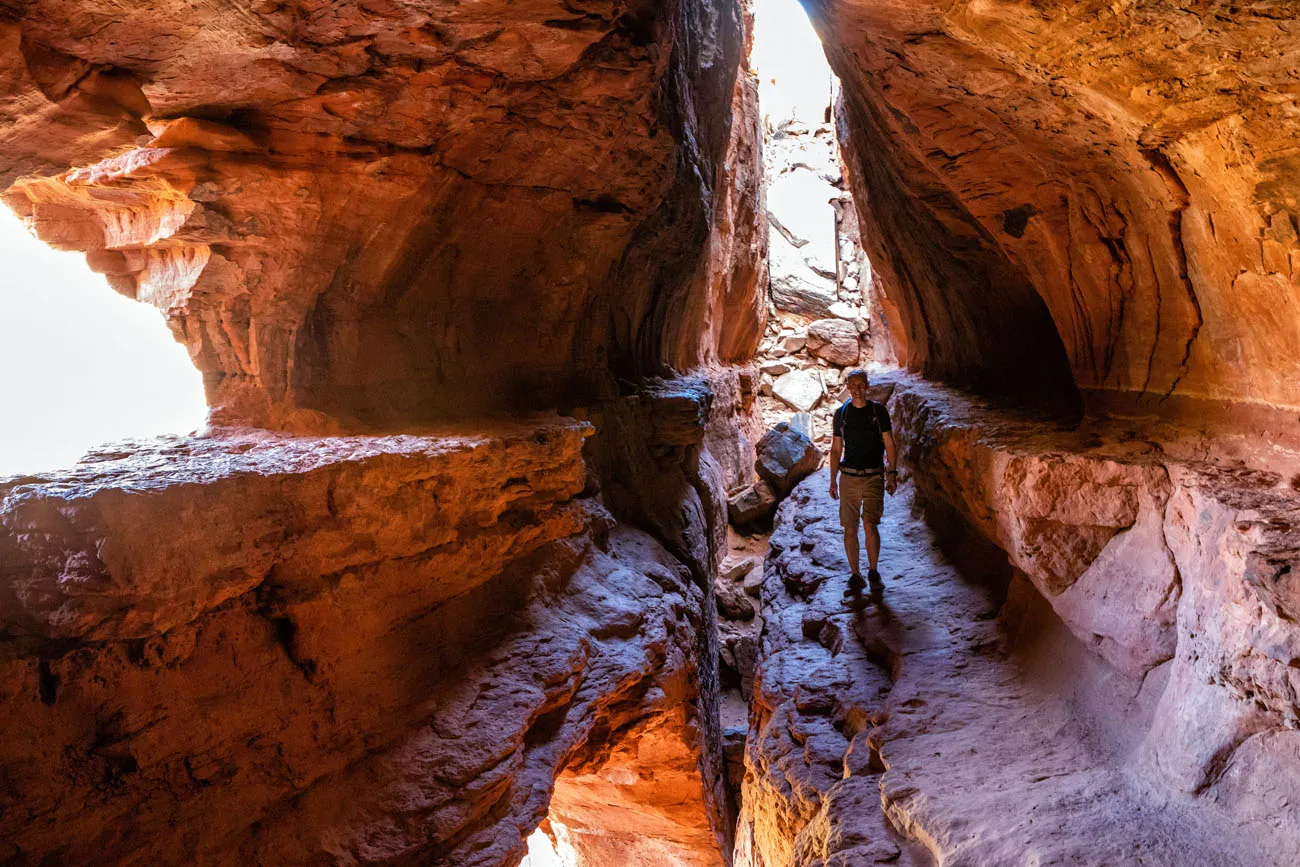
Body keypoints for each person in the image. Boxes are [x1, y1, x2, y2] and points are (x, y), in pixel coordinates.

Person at [828, 369, 898, 595]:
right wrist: (833, 480)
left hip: (873, 476)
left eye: (861, 385)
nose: (857, 390)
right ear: (847, 387)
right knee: (850, 528)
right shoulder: (841, 414)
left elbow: (889, 443)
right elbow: (836, 449)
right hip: (849, 477)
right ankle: (855, 575)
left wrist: (892, 473)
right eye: (853, 385)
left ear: (867, 386)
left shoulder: (878, 412)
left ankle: (873, 572)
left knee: (870, 524)